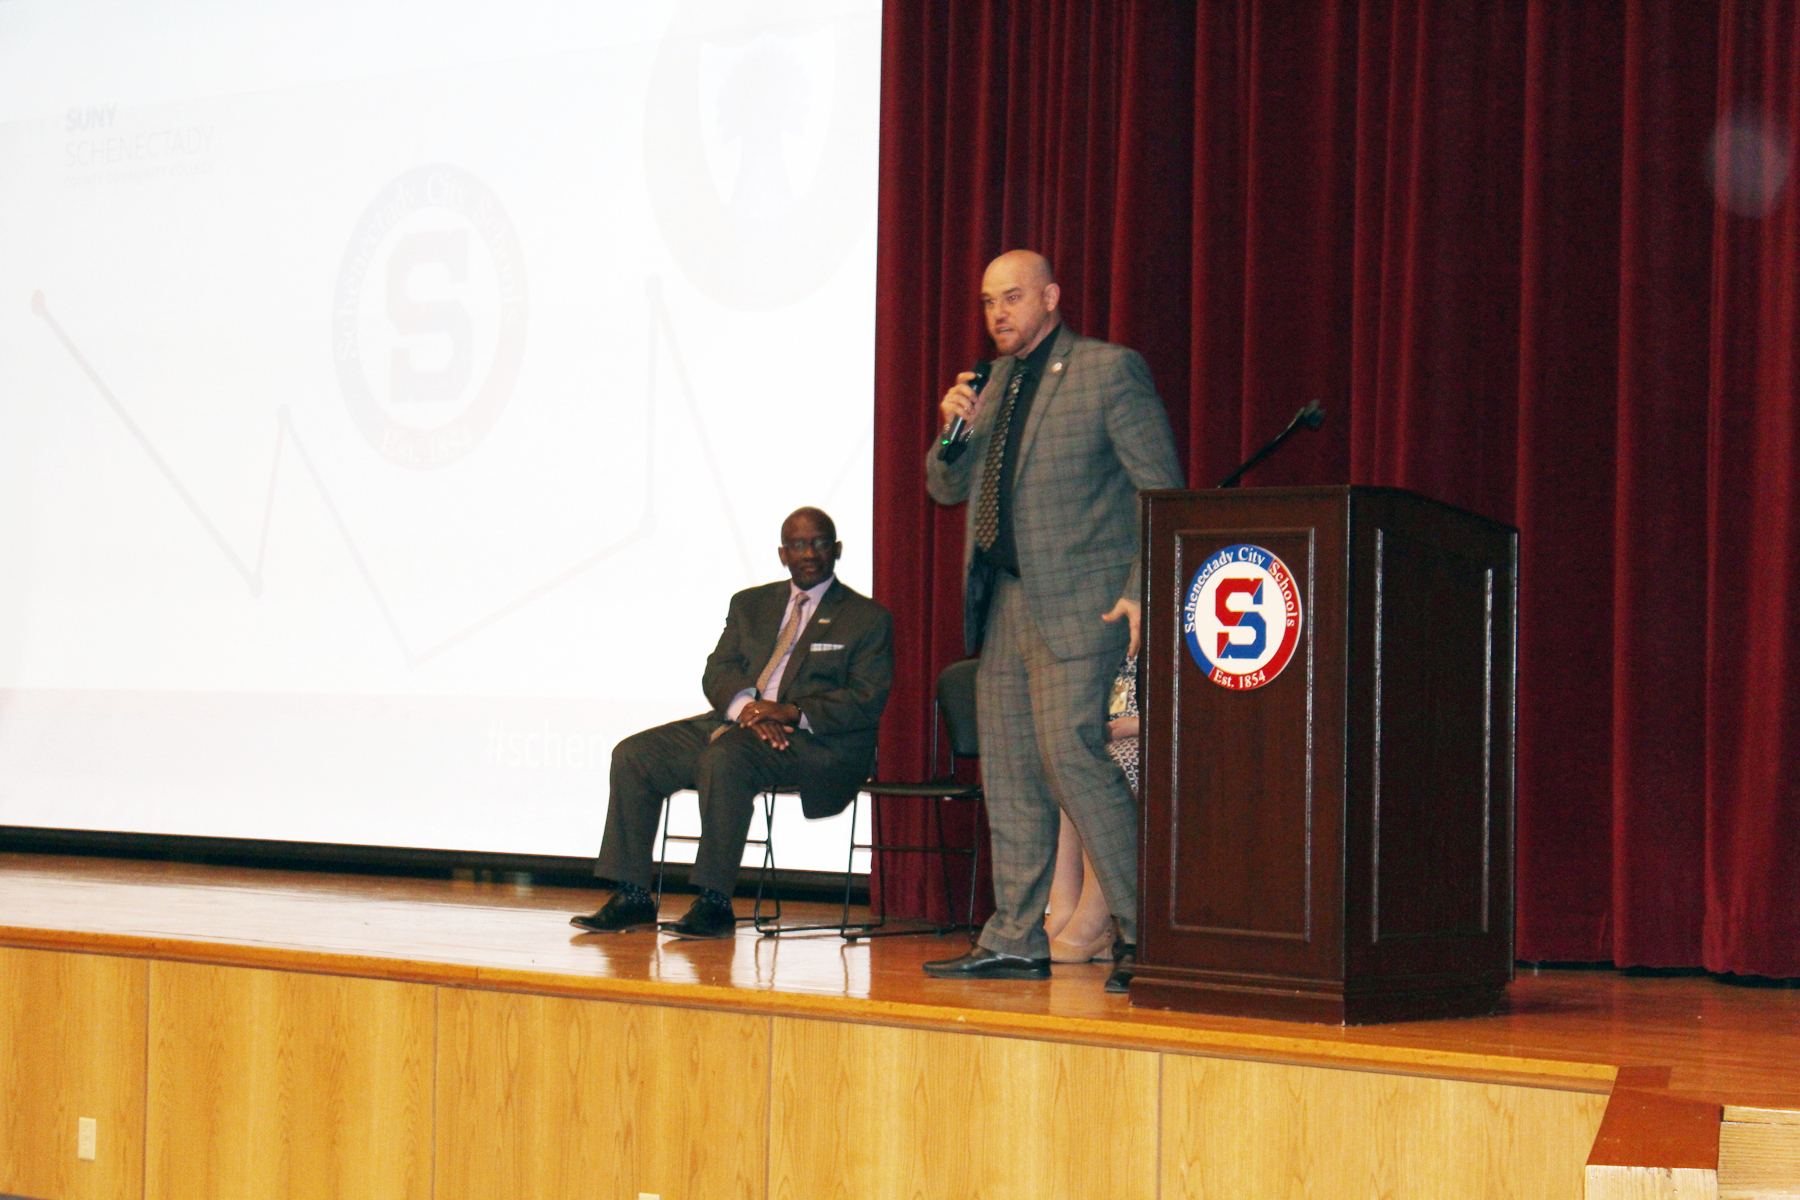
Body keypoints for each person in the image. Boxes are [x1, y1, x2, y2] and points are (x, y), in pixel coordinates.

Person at [922, 250, 1183, 991]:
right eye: (987, 301)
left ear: (1051, 297)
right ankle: (1015, 936)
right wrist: (953, 430)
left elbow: (1160, 489)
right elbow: (944, 488)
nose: (998, 313)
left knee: (1071, 755)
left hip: (1083, 599)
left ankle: (1143, 932)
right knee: (1009, 770)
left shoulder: (1108, 371)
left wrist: (1142, 586)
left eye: (1011, 298)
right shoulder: (989, 385)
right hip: (1006, 600)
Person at [570, 507, 893, 939]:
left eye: (819, 542)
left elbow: (865, 699)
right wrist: (750, 712)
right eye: (798, 544)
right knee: (635, 755)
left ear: (836, 549)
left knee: (726, 759)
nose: (809, 553)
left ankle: (714, 902)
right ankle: (632, 896)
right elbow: (718, 671)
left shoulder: (866, 617)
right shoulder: (750, 604)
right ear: (783, 554)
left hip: (816, 742)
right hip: (740, 723)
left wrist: (788, 712)